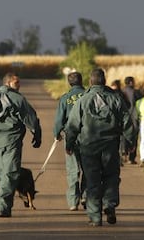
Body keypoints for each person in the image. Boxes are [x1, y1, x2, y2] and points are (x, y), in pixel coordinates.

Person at [65, 68, 134, 227]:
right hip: (110, 146)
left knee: (92, 180)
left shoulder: (82, 100)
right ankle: (109, 204)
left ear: (90, 81)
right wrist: (130, 142)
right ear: (104, 81)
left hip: (89, 147)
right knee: (111, 176)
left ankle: (95, 217)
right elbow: (127, 122)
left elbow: (73, 125)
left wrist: (69, 143)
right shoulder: (115, 98)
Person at [0, 72, 42, 218]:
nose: (19, 85)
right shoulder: (18, 99)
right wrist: (37, 135)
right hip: (11, 142)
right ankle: (3, 205)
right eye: (16, 83)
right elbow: (32, 119)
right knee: (10, 173)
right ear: (8, 83)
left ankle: (3, 206)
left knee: (2, 174)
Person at [53, 71, 86, 211]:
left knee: (73, 170)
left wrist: (57, 134)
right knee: (88, 168)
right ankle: (86, 196)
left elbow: (59, 119)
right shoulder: (88, 95)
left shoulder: (65, 98)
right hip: (88, 137)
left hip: (71, 137)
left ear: (69, 83)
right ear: (82, 81)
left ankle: (73, 201)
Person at [122, 76, 142, 164]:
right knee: (134, 138)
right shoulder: (136, 92)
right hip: (134, 117)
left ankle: (124, 154)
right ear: (130, 82)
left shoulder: (122, 92)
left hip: (123, 117)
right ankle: (131, 157)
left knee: (123, 137)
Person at [110, 79, 129, 167]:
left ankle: (115, 159)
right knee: (120, 140)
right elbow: (128, 105)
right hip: (120, 121)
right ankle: (120, 158)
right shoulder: (122, 94)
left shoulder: (109, 94)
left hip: (110, 121)